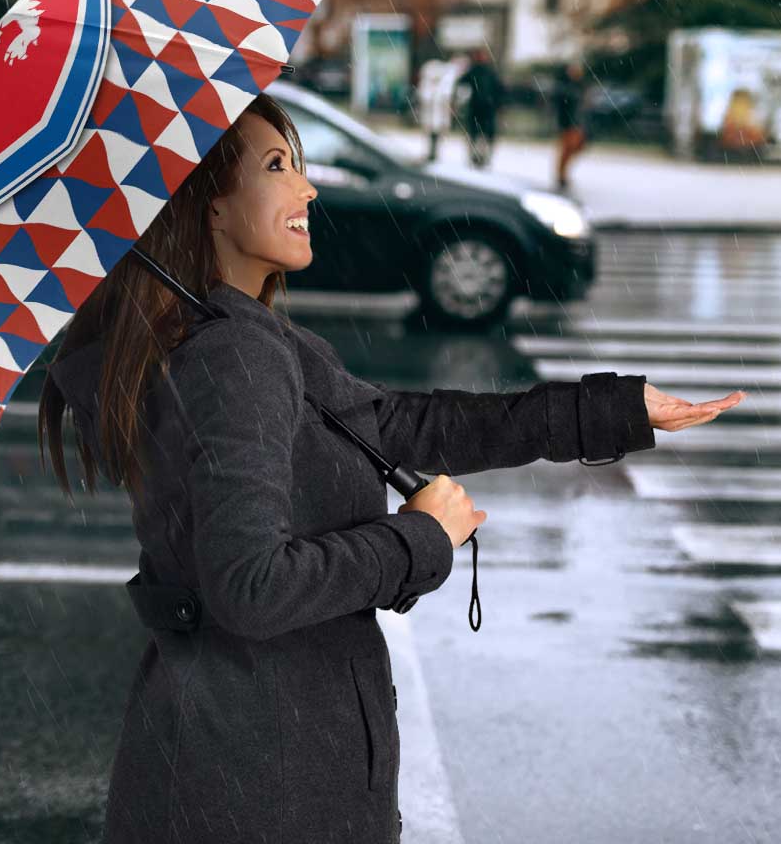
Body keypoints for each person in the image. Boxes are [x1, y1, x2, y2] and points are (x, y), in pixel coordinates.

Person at [39, 92, 745, 844]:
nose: (307, 188)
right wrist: (418, 539)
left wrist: (612, 410)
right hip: (260, 782)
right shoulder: (233, 356)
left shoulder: (242, 340)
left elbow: (407, 426)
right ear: (210, 208)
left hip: (241, 763)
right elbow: (250, 587)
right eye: (278, 166)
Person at [455, 46, 505, 169]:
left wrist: (498, 104)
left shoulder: (488, 72)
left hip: (486, 108)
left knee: (483, 135)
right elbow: (461, 84)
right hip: (478, 108)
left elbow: (499, 90)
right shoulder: (475, 71)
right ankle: (476, 157)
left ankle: (482, 157)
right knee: (476, 134)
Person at [553, 59, 589, 190]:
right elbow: (562, 106)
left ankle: (562, 174)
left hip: (577, 123)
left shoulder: (580, 86)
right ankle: (561, 175)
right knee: (567, 149)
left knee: (575, 148)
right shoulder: (565, 87)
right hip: (568, 123)